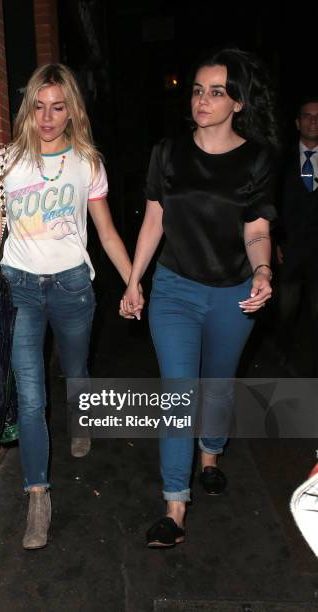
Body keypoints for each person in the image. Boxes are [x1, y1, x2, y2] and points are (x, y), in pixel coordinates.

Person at [0, 63, 141, 550]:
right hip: (18, 286)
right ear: (29, 108)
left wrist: (133, 281)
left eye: (58, 107)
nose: (47, 117)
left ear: (71, 111)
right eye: (39, 106)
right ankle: (38, 495)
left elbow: (107, 232)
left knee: (75, 367)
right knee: (30, 394)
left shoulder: (87, 161)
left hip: (72, 286)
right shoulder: (6, 162)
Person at [120, 48, 278, 548]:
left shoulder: (257, 158)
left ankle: (211, 450)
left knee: (217, 383)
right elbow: (153, 220)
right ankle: (174, 504)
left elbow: (256, 225)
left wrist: (263, 270)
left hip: (233, 292)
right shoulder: (167, 153)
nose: (202, 100)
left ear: (237, 103)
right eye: (197, 90)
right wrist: (133, 279)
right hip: (175, 290)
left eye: (216, 92)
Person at [275, 97, 318, 374]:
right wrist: (275, 240)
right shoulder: (280, 161)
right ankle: (282, 353)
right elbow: (270, 203)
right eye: (307, 115)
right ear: (297, 122)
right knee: (285, 310)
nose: (313, 121)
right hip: (289, 250)